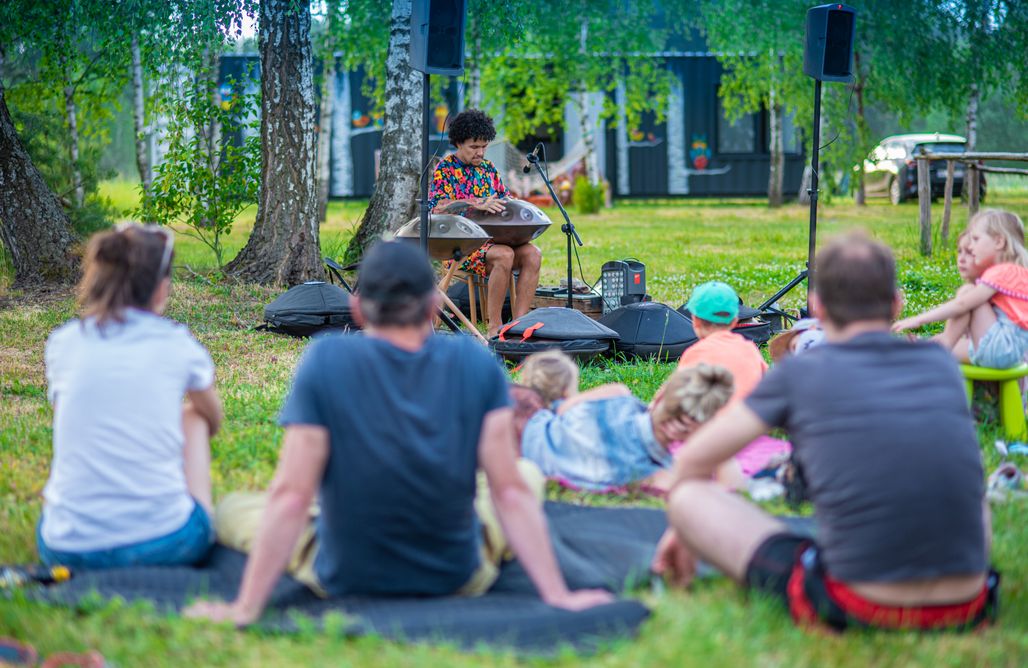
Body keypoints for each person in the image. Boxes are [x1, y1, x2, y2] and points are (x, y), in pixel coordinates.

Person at [185, 242, 610, 626]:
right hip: (456, 575)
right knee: (525, 475)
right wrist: (558, 596)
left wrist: (246, 609)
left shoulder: (326, 359)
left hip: (344, 574)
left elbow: (291, 495)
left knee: (234, 509)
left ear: (358, 308)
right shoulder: (473, 361)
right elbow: (510, 492)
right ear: (431, 306)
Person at [652, 232, 996, 633]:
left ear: (816, 306)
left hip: (858, 601)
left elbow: (695, 458)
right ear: (896, 303)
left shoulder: (802, 372)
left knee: (691, 495)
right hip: (970, 601)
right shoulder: (940, 365)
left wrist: (682, 528)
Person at [38, 223, 222, 570]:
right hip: (165, 543)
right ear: (161, 288)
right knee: (193, 415)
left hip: (65, 546)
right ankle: (203, 521)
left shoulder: (63, 342)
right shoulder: (176, 343)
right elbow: (212, 417)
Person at [517, 350, 730, 492]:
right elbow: (731, 487)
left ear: (661, 397)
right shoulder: (650, 472)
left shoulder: (617, 396)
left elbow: (562, 407)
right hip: (516, 442)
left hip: (518, 420)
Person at [429, 108, 542, 338]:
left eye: (484, 146)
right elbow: (438, 208)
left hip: (494, 240)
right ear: (458, 143)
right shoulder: (446, 169)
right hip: (461, 247)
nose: (480, 152)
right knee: (504, 255)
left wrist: (516, 208)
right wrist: (474, 203)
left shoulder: (488, 169)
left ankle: (518, 326)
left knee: (533, 254)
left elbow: (505, 198)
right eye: (474, 147)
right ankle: (495, 328)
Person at [670, 281, 776, 489]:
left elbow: (677, 396)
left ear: (695, 320)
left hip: (709, 433)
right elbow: (767, 389)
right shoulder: (750, 350)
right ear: (736, 320)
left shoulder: (695, 353)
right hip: (747, 432)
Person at [894, 209, 1028, 368]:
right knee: (947, 344)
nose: (971, 247)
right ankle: (927, 349)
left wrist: (919, 319)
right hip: (1015, 352)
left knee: (967, 292)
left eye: (976, 239)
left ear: (999, 242)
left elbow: (962, 305)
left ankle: (941, 351)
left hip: (1001, 348)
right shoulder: (1017, 272)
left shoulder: (1001, 272)